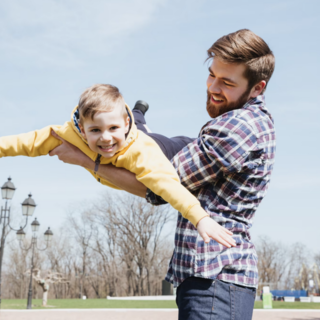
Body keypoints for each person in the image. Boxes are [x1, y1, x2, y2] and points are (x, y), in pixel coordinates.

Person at [48, 29, 276, 319]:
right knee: (161, 143)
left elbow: (155, 187)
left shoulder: (237, 128)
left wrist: (84, 159)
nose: (212, 87)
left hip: (214, 279)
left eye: (227, 82)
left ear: (257, 88)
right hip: (213, 280)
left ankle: (139, 125)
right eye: (212, 74)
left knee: (154, 143)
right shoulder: (246, 122)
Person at [0, 84, 235, 248]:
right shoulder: (66, 135)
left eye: (113, 128)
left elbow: (167, 184)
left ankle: (138, 115)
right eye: (95, 130)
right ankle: (138, 113)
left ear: (124, 125)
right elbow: (25, 142)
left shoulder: (142, 152)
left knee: (169, 142)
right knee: (136, 125)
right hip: (129, 131)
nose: (105, 138)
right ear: (81, 129)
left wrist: (200, 217)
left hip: (167, 148)